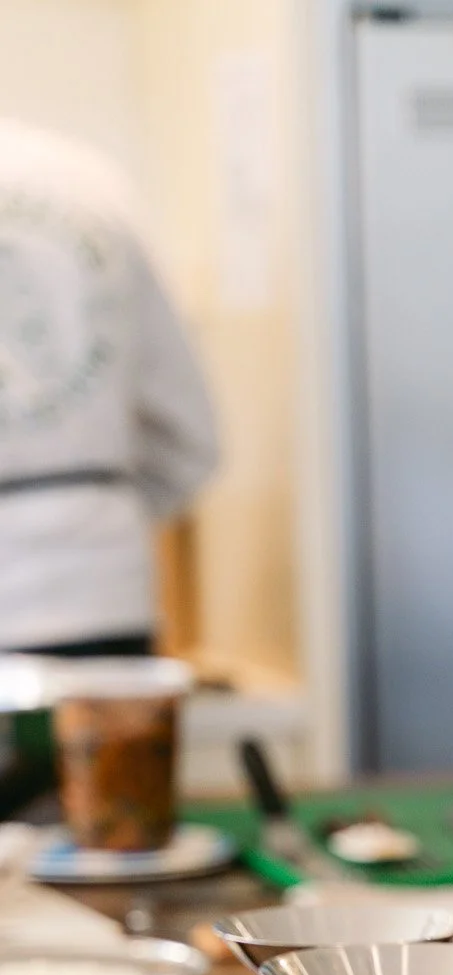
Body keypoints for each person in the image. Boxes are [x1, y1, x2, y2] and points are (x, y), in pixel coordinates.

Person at [0, 118, 219, 805]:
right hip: (98, 593)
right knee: (106, 851)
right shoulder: (88, 184)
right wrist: (94, 510)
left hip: (89, 583)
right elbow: (189, 435)